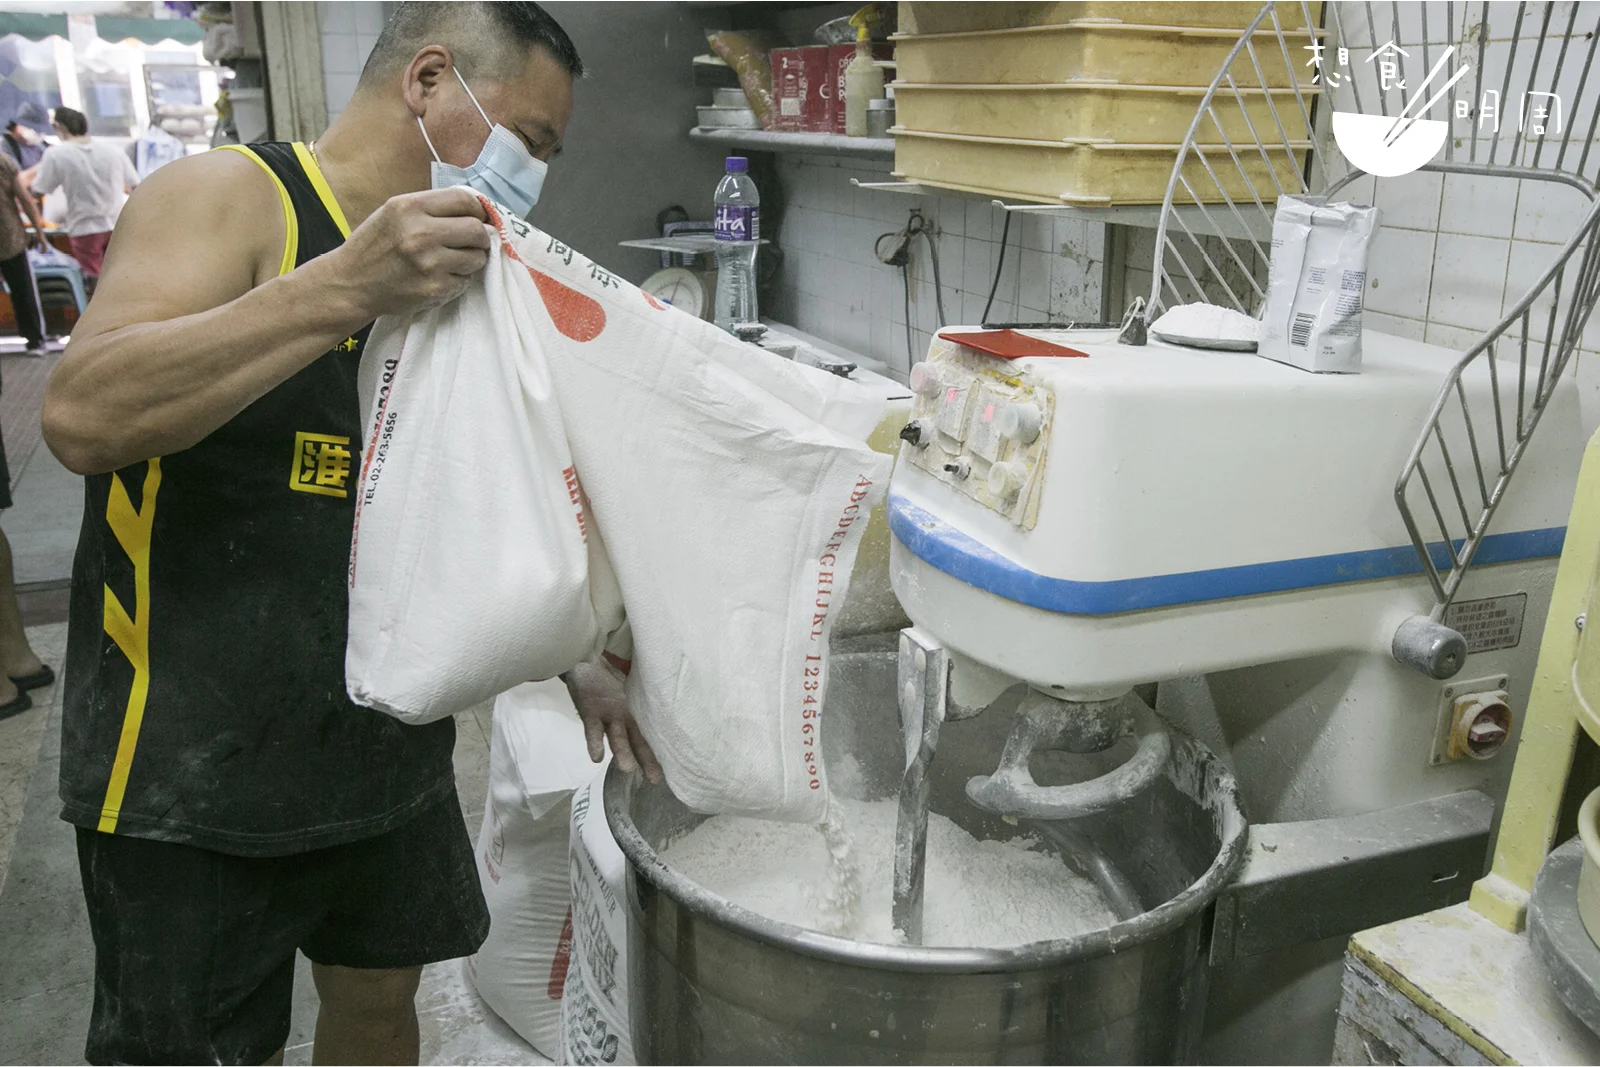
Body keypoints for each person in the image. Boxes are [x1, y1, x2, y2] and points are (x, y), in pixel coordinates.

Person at [42, 4, 657, 1065]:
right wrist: (344, 285)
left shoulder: (466, 272)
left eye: (548, 154)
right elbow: (83, 415)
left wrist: (573, 654)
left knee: (377, 1003)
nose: (533, 174)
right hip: (191, 760)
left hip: (382, 740)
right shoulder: (232, 198)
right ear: (429, 80)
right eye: (528, 139)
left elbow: (467, 494)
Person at [31, 106, 138, 283]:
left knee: (97, 280)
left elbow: (38, 191)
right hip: (118, 225)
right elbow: (135, 185)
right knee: (121, 276)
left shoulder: (56, 154)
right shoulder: (112, 151)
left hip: (85, 228)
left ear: (59, 127)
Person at [0, 144, 48, 356]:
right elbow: (25, 199)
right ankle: (35, 341)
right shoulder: (3, 161)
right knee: (23, 291)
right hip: (9, 237)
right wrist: (39, 231)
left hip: (10, 237)